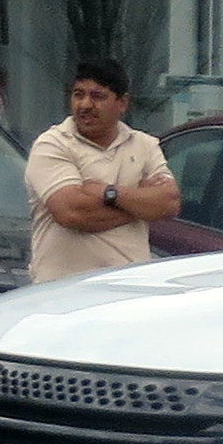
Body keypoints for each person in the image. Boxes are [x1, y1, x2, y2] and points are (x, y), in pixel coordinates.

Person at [26, 58, 179, 284]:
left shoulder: (145, 145)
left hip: (129, 290)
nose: (85, 105)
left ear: (122, 103)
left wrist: (108, 193)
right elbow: (73, 212)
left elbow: (169, 203)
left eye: (98, 96)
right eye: (78, 94)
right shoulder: (52, 144)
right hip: (62, 293)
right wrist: (140, 203)